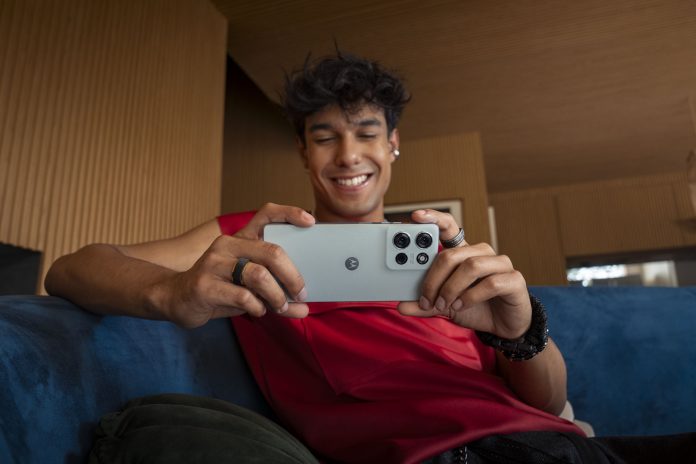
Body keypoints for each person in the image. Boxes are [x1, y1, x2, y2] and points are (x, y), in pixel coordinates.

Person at [46, 52, 694, 464]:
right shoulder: (254, 238)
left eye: (366, 133)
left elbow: (549, 407)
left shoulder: (439, 248)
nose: (349, 156)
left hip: (563, 446)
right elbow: (72, 269)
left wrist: (521, 332)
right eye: (325, 137)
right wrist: (174, 292)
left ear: (393, 145)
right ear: (303, 152)